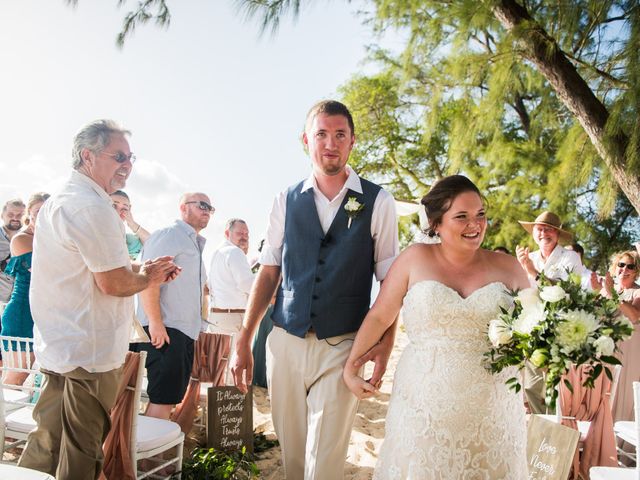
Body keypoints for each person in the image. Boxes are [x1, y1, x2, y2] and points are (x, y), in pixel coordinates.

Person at [232, 100, 399, 480]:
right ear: (306, 140)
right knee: (292, 458)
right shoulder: (285, 199)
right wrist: (244, 337)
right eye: (321, 134)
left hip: (343, 346)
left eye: (340, 134)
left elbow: (390, 283)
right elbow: (269, 270)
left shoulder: (378, 201)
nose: (330, 143)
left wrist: (384, 345)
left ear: (352, 142)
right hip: (285, 342)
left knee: (323, 463)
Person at [18, 119, 180, 480]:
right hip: (88, 353)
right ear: (87, 156)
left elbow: (87, 267)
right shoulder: (92, 207)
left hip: (61, 345)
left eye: (131, 157)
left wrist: (140, 267)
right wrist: (149, 275)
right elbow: (114, 284)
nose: (128, 165)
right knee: (82, 452)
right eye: (119, 155)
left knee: (47, 442)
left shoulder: (65, 199)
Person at [344, 175, 529, 478]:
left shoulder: (508, 267)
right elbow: (380, 316)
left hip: (493, 411)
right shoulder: (414, 258)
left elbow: (538, 324)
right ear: (436, 224)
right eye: (462, 217)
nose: (475, 225)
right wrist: (351, 367)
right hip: (422, 407)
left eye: (481, 214)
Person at [134, 192, 211, 420]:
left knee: (168, 398)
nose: (207, 210)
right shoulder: (170, 235)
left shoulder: (193, 244)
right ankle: (145, 454)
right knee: (163, 399)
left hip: (182, 332)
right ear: (183, 207)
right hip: (165, 330)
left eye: (210, 208)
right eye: (202, 205)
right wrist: (156, 324)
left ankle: (147, 452)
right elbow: (148, 279)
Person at [515, 211, 591, 413]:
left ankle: (558, 439)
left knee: (557, 391)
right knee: (532, 387)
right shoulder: (527, 257)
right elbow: (519, 292)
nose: (544, 233)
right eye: (540, 229)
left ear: (557, 234)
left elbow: (566, 291)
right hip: (532, 331)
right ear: (533, 233)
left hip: (561, 332)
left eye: (549, 229)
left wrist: (532, 272)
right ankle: (540, 438)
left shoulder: (571, 257)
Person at [0, 192, 49, 385]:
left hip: (43, 314)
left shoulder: (50, 238)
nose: (43, 214)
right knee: (16, 376)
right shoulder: (22, 240)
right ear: (29, 213)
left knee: (25, 375)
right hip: (22, 312)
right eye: (38, 210)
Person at [597, 250, 640, 422]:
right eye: (621, 265)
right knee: (604, 392)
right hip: (607, 350)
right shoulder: (606, 290)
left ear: (636, 272)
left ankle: (619, 444)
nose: (625, 269)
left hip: (629, 352)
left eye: (631, 266)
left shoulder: (638, 292)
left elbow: (634, 315)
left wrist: (611, 294)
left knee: (624, 394)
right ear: (615, 268)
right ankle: (599, 439)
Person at [207, 218, 255, 334]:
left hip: (218, 317)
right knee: (236, 352)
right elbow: (247, 285)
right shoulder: (234, 252)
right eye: (239, 233)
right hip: (232, 319)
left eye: (246, 233)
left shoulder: (217, 253)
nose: (244, 237)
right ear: (227, 233)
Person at [110, 190, 151, 260]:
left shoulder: (129, 240)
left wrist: (132, 224)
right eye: (114, 206)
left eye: (124, 209)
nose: (118, 212)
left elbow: (152, 243)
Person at [0, 198, 26, 304]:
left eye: (20, 215)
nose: (15, 218)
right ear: (2, 216)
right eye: (10, 215)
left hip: (19, 302)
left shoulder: (30, 240)